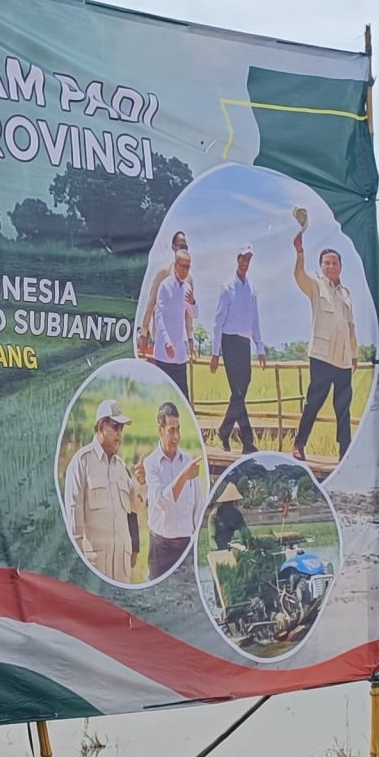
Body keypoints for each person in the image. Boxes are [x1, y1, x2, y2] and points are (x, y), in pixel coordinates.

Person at [292, 229, 360, 465]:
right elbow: (299, 275)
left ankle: (345, 452)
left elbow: (351, 327)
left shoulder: (346, 294)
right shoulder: (315, 285)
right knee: (314, 403)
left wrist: (355, 354)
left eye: (334, 263)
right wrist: (300, 252)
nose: (330, 266)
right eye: (326, 263)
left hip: (342, 359)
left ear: (340, 266)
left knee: (343, 408)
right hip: (321, 356)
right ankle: (299, 443)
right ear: (321, 266)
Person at [62, 398, 145, 583]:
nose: (119, 434)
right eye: (115, 427)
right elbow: (74, 529)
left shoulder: (120, 467)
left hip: (121, 574)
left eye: (122, 428)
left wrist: (140, 482)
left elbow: (135, 506)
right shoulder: (81, 463)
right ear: (101, 427)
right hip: (94, 572)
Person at [138, 401, 206, 580]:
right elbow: (162, 502)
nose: (176, 436)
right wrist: (183, 477)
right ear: (160, 430)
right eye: (171, 430)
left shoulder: (187, 461)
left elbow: (199, 506)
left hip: (186, 547)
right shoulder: (151, 464)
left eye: (178, 429)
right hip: (161, 549)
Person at [208, 243, 262, 454]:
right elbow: (217, 321)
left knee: (242, 389)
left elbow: (255, 319)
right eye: (243, 258)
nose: (246, 262)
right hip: (229, 342)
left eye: (249, 259)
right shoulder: (227, 287)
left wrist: (260, 346)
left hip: (244, 343)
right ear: (238, 259)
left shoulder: (252, 288)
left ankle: (224, 430)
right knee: (238, 391)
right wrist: (215, 352)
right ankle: (248, 440)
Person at [144, 232, 197, 399]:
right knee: (161, 392)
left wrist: (190, 338)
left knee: (181, 394)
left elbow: (189, 314)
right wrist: (144, 332)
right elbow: (151, 305)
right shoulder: (162, 275)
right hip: (160, 340)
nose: (183, 248)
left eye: (186, 247)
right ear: (173, 247)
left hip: (178, 345)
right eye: (181, 246)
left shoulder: (189, 280)